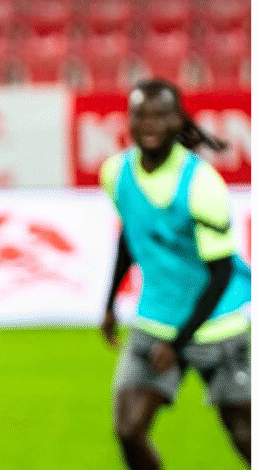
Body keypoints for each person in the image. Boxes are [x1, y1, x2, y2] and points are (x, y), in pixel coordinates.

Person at [98, 79, 251, 470]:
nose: (149, 124)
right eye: (140, 115)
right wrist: (110, 303)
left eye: (160, 115)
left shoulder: (202, 184)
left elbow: (219, 276)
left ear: (178, 120)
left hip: (220, 324)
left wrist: (179, 341)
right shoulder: (115, 173)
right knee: (128, 429)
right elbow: (131, 238)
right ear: (128, 120)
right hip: (157, 319)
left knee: (246, 436)